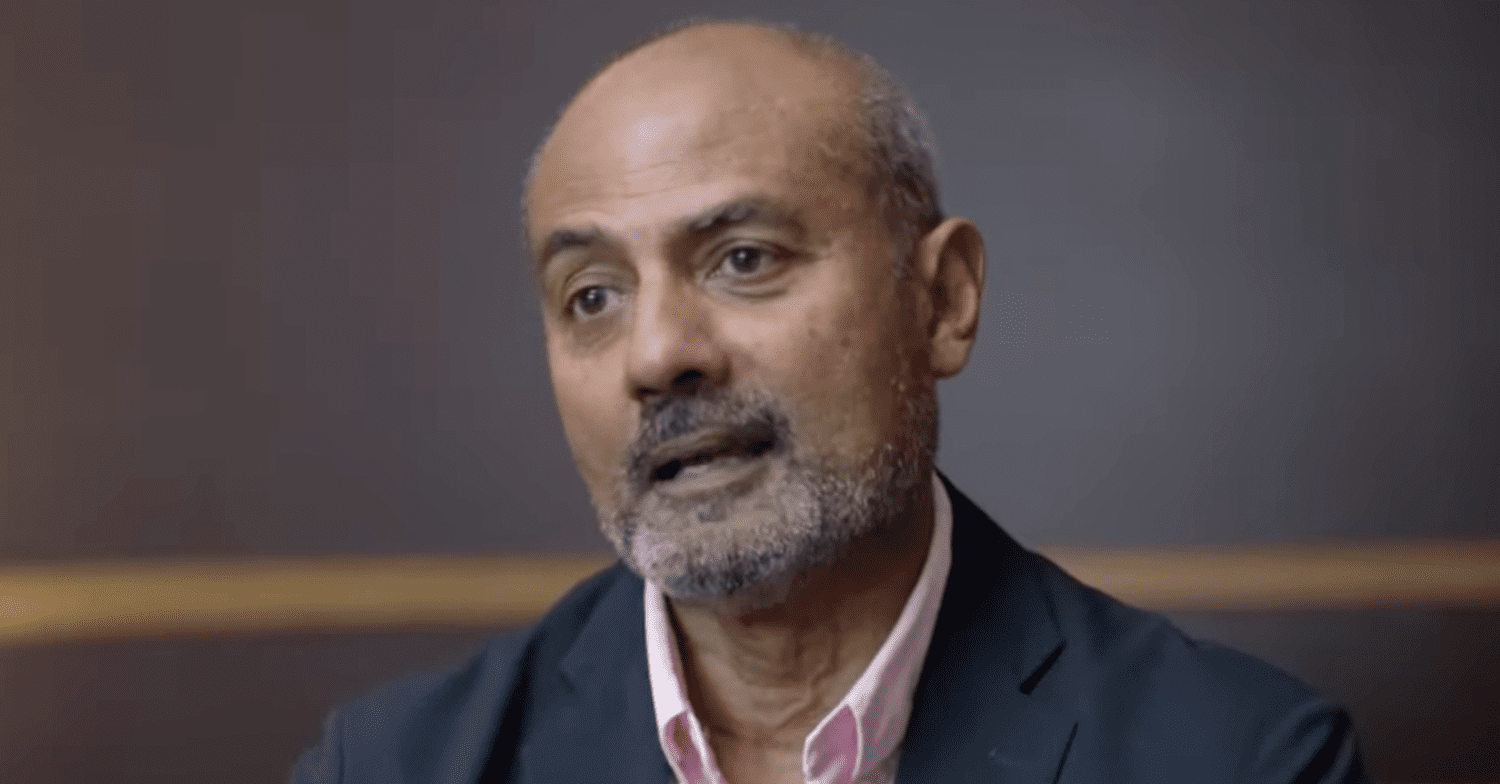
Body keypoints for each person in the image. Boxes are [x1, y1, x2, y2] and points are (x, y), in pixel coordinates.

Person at [291, 19, 1367, 784]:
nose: (659, 353)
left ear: (942, 300)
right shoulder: (394, 765)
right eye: (594, 296)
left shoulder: (1237, 757)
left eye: (743, 258)